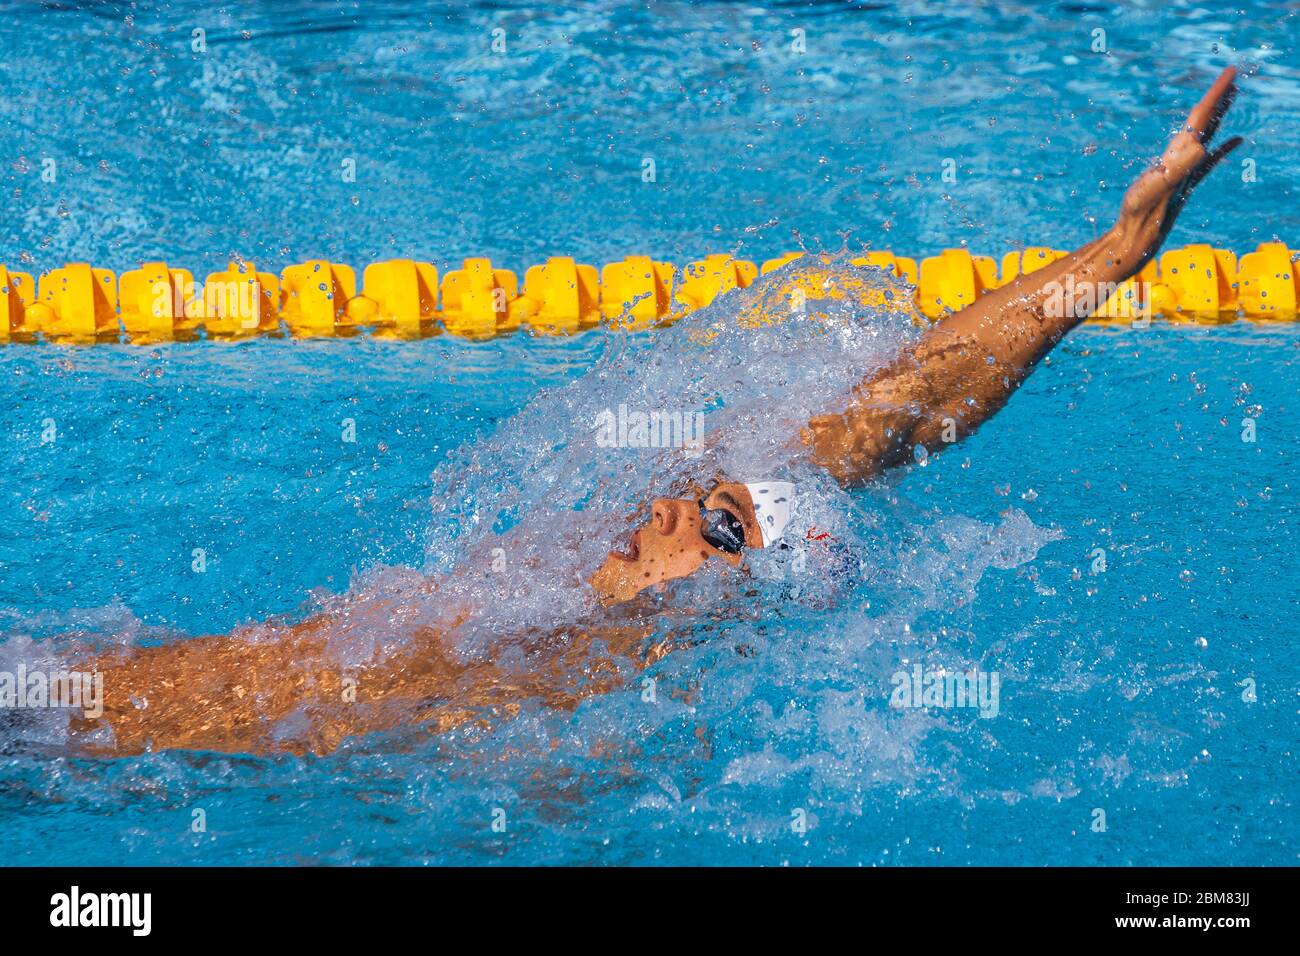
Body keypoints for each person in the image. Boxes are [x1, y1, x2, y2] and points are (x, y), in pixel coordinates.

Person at [65, 67, 1239, 756]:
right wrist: (1122, 247)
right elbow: (907, 402)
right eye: (703, 495)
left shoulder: (577, 702)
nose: (677, 509)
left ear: (743, 599)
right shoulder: (564, 598)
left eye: (717, 526)